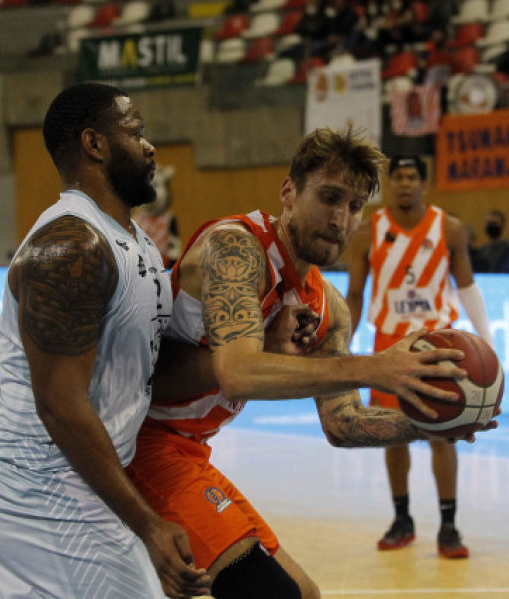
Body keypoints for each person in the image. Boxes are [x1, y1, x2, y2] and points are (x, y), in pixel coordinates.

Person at [127, 127, 484, 599]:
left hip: (188, 449)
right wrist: (373, 367)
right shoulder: (235, 249)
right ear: (289, 192)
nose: (341, 218)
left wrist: (434, 425)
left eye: (355, 206)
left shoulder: (328, 306)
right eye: (330, 197)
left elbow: (343, 422)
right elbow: (238, 373)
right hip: (136, 441)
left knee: (305, 593)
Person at [0, 83, 210, 598]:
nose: (150, 147)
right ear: (95, 144)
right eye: (136, 132)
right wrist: (148, 524)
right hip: (36, 494)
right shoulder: (68, 247)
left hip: (76, 489)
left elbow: (154, 366)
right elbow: (59, 406)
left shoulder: (134, 239)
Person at [346, 155, 494, 559]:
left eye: (413, 177)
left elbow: (467, 287)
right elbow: (356, 295)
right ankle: (402, 518)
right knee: (392, 434)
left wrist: (486, 338)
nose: (406, 184)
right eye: (399, 177)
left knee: (443, 434)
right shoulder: (368, 232)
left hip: (438, 344)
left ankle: (448, 525)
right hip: (388, 343)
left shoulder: (449, 228)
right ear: (389, 184)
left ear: (424, 184)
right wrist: (341, 342)